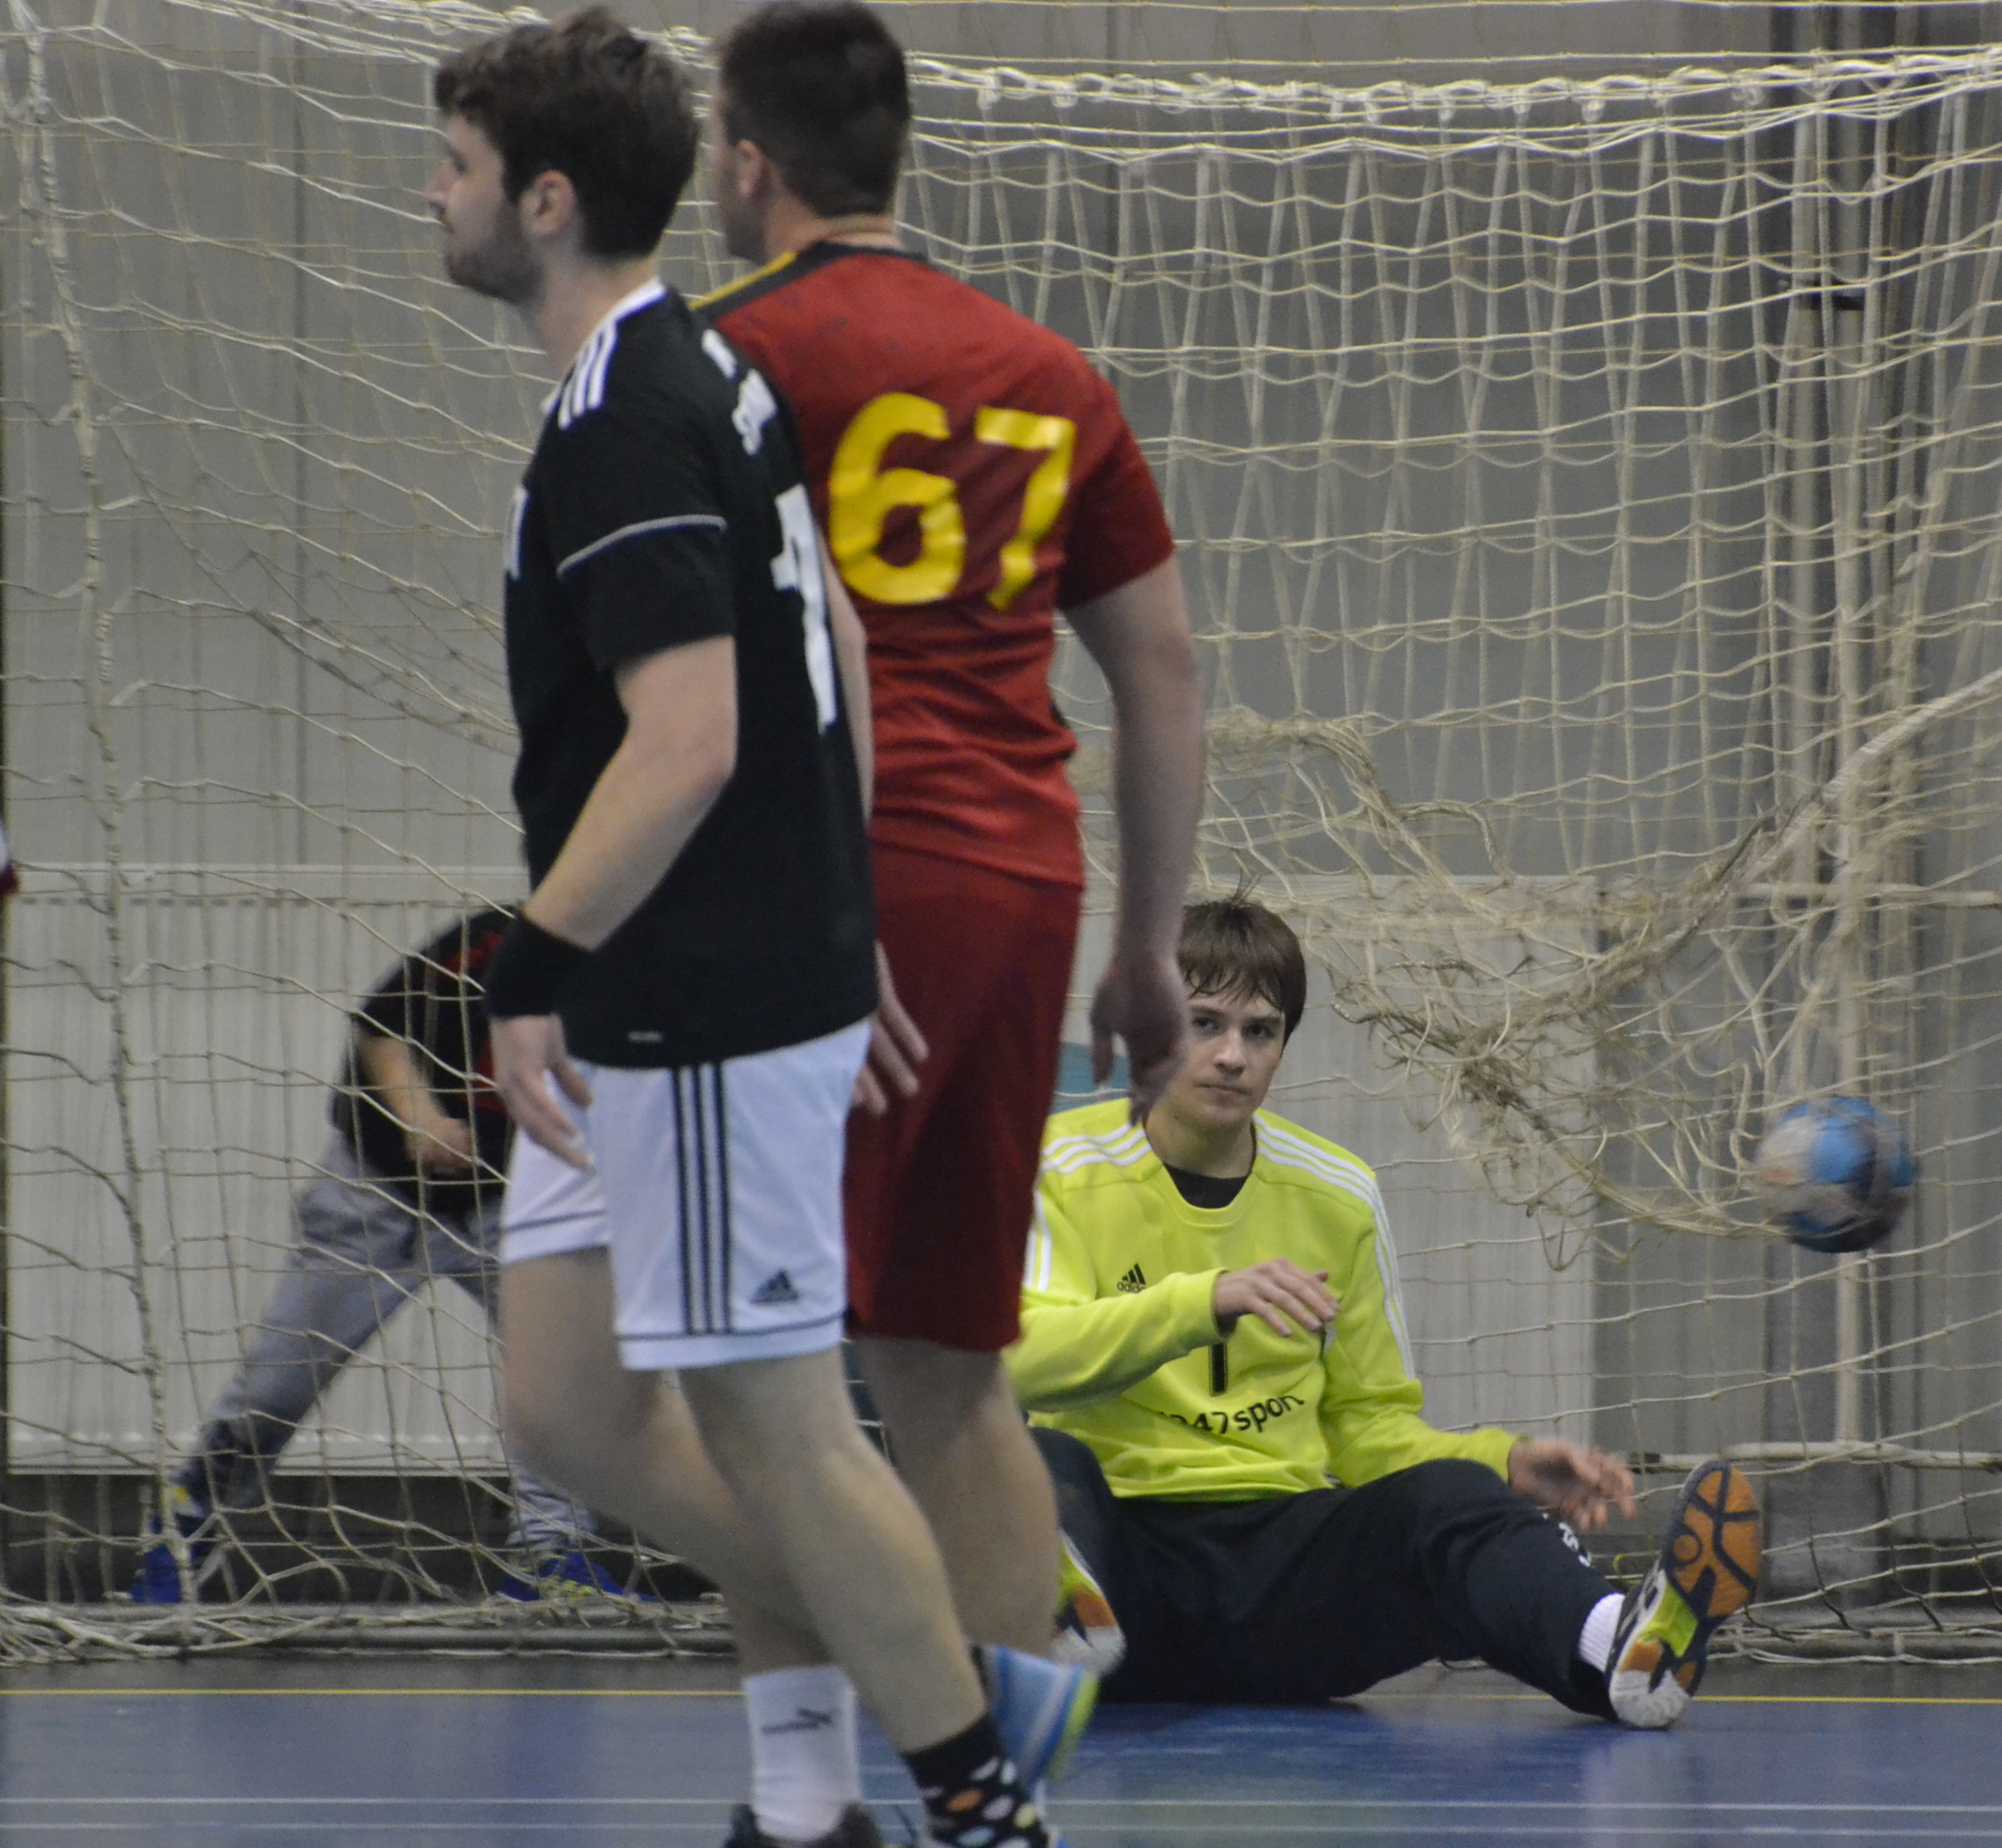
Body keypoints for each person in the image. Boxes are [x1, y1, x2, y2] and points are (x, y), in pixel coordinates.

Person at [423, 15, 1079, 1848]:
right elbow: (837, 641)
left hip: (688, 996)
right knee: (569, 1408)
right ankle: (882, 1728)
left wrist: (534, 964)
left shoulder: (638, 410)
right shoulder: (693, 367)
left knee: (776, 1423)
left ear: (546, 201)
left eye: (456, 168)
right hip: (667, 981)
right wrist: (845, 911)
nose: (432, 196)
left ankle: (977, 1796)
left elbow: (696, 733)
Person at [696, 0, 1201, 1724]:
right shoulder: (1050, 372)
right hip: (1016, 880)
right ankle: (1008, 1791)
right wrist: (1145, 947)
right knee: (950, 1364)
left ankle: (814, 1786)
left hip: (820, 880)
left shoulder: (723, 353)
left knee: (751, 1365)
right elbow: (1159, 667)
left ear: (746, 163)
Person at [1015, 896, 1765, 1728]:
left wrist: (1504, 1461)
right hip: (1123, 1577)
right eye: (1204, 1024)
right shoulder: (1062, 1165)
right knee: (1027, 1457)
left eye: (1260, 1031)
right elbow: (1019, 1359)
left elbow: (1368, 1431)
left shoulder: (1338, 1193)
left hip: (1284, 1590)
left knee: (1448, 1498)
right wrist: (1204, 1301)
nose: (1231, 1055)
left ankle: (1619, 1650)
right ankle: (1048, 1609)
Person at [128, 910, 625, 1604]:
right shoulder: (499, 939)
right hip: (378, 1191)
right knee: (277, 1390)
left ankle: (548, 1553)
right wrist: (419, 1119)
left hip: (510, 1205)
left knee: (560, 1377)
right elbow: (380, 1026)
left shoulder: (654, 982)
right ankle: (187, 1524)